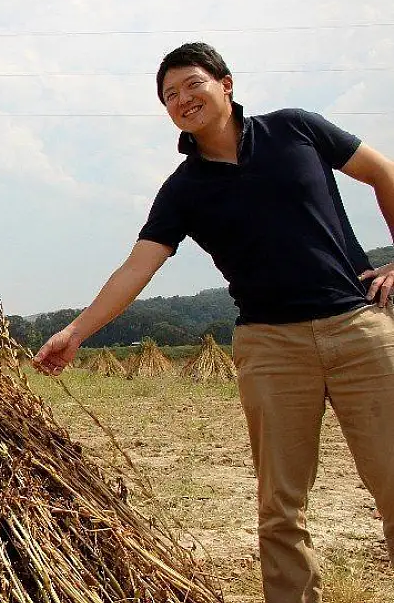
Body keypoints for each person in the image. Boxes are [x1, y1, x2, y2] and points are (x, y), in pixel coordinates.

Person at [33, 42, 394, 603]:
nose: (182, 99)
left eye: (192, 85)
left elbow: (385, 175)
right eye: (169, 96)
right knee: (281, 508)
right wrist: (77, 331)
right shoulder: (184, 190)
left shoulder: (296, 129)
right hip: (271, 347)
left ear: (226, 84)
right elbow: (137, 267)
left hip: (360, 328)